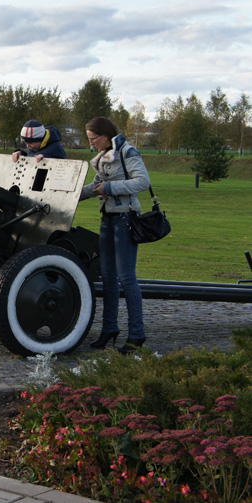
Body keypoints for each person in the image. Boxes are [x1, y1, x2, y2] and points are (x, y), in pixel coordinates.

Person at [80, 116, 150, 353]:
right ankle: (109, 329)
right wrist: (68, 195)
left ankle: (136, 334)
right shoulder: (102, 158)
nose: (91, 144)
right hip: (108, 220)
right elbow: (95, 186)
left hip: (126, 220)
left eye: (93, 139)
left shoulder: (127, 152)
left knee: (127, 278)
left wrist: (110, 188)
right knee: (107, 277)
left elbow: (142, 182)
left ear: (105, 135)